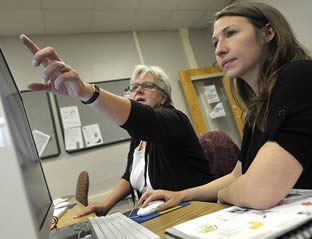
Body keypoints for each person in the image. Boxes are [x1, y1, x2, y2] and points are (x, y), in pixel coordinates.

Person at [139, 1, 312, 211]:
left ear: (268, 33)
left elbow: (258, 191)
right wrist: (182, 194)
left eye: (230, 33)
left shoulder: (299, 75)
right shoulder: (255, 113)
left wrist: (224, 195)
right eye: (215, 43)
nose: (219, 50)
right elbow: (236, 176)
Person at [19, 34, 216, 217]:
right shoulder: (139, 138)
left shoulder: (174, 120)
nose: (138, 90)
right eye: (133, 87)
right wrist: (106, 205)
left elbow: (145, 121)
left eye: (147, 86)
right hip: (156, 216)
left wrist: (85, 91)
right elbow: (129, 176)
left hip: (194, 215)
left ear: (163, 96)